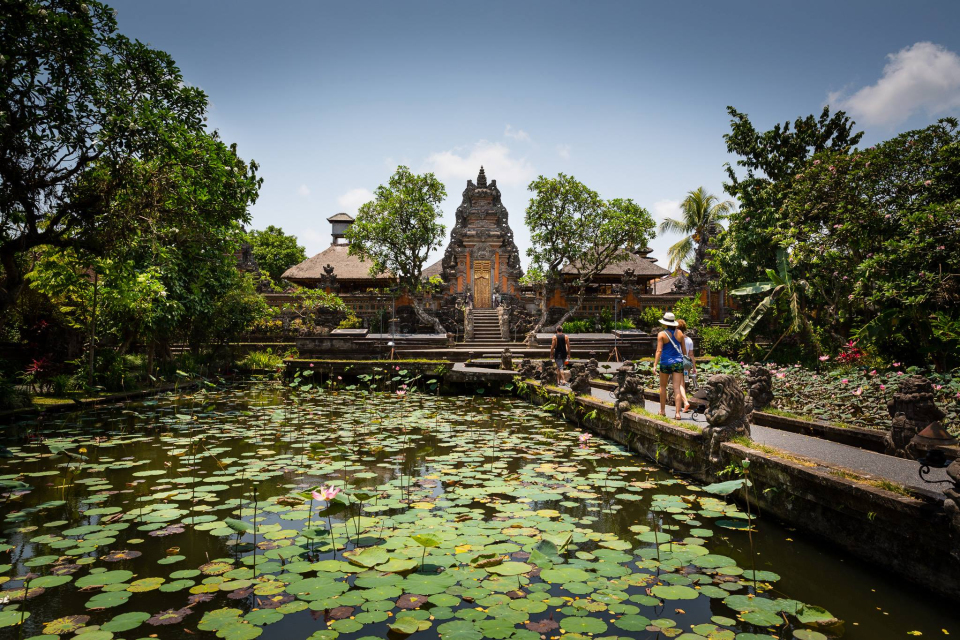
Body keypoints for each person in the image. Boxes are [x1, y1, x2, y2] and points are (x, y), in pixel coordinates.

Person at [652, 311, 687, 419]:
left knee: (663, 386)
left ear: (665, 323)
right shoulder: (680, 333)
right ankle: (677, 413)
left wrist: (655, 365)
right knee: (677, 387)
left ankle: (662, 410)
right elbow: (684, 351)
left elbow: (659, 350)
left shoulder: (661, 334)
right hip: (678, 362)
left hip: (665, 362)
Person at [675, 319, 697, 412]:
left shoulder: (676, 338)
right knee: (682, 384)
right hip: (687, 363)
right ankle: (679, 406)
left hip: (678, 362)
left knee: (679, 385)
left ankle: (685, 402)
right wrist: (694, 367)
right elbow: (691, 354)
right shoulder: (689, 339)